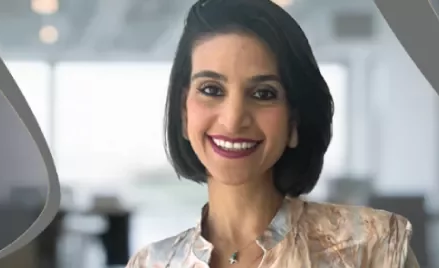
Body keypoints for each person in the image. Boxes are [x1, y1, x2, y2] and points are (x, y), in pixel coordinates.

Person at [126, 0, 419, 267]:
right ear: (184, 112)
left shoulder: (372, 247)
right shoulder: (152, 263)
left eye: (264, 93)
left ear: (294, 121)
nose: (233, 119)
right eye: (211, 90)